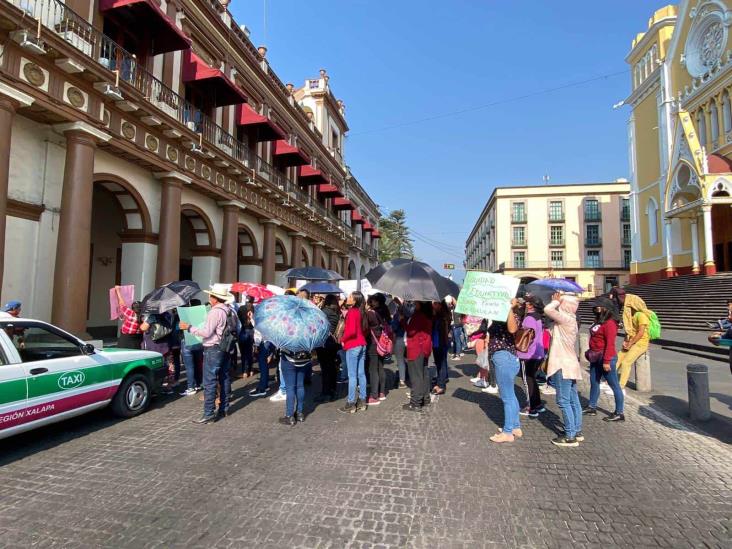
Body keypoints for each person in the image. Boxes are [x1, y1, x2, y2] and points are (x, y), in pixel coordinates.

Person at [180, 286, 236, 424]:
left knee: (209, 381)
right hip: (225, 348)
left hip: (213, 348)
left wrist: (189, 327)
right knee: (224, 378)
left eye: (211, 295)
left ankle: (209, 413)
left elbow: (206, 333)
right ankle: (224, 408)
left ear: (215, 298)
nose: (209, 298)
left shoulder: (215, 312)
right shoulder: (228, 310)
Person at [544, 293, 582, 447]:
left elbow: (548, 309)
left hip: (562, 365)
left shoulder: (565, 319)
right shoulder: (571, 320)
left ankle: (569, 435)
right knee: (573, 399)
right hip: (570, 363)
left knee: (563, 401)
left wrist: (554, 301)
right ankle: (576, 430)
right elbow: (551, 329)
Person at [584, 297, 625, 422]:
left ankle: (619, 412)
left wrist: (607, 361)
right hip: (595, 356)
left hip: (606, 357)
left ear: (605, 308)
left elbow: (610, 344)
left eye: (598, 306)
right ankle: (592, 406)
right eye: (595, 306)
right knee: (594, 381)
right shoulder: (598, 320)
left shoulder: (610, 323)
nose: (596, 308)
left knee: (614, 385)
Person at [488, 302, 521, 444]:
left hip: (504, 357)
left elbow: (513, 329)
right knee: (511, 395)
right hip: (508, 357)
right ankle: (515, 426)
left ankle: (508, 432)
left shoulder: (514, 315)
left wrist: (509, 307)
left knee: (507, 397)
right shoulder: (501, 314)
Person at [338, 291, 368, 414]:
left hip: (353, 345)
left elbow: (351, 331)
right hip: (362, 344)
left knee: (352, 375)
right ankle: (362, 400)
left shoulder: (352, 312)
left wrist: (342, 339)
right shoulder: (362, 312)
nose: (348, 298)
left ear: (355, 300)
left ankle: (351, 403)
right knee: (361, 374)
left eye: (350, 296)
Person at [517, 295, 545, 418]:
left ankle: (531, 407)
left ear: (530, 305)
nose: (524, 304)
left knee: (527, 380)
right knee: (532, 379)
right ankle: (538, 404)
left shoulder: (528, 318)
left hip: (528, 353)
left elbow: (525, 335)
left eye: (527, 302)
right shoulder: (538, 317)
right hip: (538, 352)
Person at [616, 294, 651, 389]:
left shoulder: (642, 316)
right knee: (617, 359)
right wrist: (626, 342)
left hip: (641, 343)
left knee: (626, 363)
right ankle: (609, 381)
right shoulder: (631, 316)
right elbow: (630, 332)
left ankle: (621, 386)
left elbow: (640, 333)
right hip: (631, 341)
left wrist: (630, 343)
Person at [403, 301, 433, 411]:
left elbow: (411, 332)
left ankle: (415, 402)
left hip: (416, 348)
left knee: (416, 376)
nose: (414, 303)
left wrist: (403, 320)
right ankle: (426, 398)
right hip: (424, 347)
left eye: (416, 302)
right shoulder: (427, 315)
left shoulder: (418, 316)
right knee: (424, 374)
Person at [366, 293, 391, 405]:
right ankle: (382, 392)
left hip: (373, 343)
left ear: (377, 301)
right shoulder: (385, 311)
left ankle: (374, 395)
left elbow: (365, 326)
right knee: (381, 367)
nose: (371, 302)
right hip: (382, 343)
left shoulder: (371, 313)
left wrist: (366, 310)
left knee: (373, 369)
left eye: (373, 300)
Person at [316, 294, 341, 402]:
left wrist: (318, 307)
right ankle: (332, 390)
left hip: (324, 343)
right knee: (332, 367)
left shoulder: (324, 312)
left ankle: (325, 393)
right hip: (333, 344)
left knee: (325, 369)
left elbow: (316, 323)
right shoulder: (336, 313)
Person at [278, 349, 311, 425]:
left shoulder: (285, 336)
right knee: (300, 386)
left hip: (288, 359)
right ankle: (299, 413)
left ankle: (289, 416)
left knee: (290, 388)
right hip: (303, 359)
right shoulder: (304, 336)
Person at [431, 300, 451, 395]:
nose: (433, 305)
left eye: (435, 303)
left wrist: (434, 316)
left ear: (440, 304)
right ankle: (440, 382)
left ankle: (441, 385)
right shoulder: (438, 315)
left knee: (441, 364)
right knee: (438, 364)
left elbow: (442, 329)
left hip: (441, 342)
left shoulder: (444, 316)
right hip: (436, 342)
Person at [391, 297, 408, 389]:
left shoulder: (397, 314)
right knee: (409, 360)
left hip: (400, 338)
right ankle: (409, 377)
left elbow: (394, 327)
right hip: (410, 339)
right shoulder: (411, 314)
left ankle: (402, 380)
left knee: (400, 360)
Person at [237, 296, 255, 377]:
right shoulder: (254, 309)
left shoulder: (241, 308)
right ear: (252, 301)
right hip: (251, 331)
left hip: (243, 330)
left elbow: (238, 318)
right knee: (250, 352)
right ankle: (250, 370)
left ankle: (244, 372)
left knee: (243, 353)